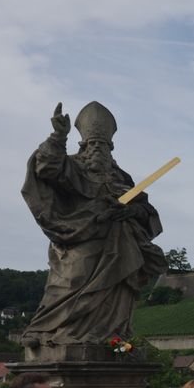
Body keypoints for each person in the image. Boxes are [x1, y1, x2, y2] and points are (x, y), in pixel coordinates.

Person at [20, 102, 166, 347]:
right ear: (82, 146)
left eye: (102, 145)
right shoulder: (73, 168)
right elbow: (47, 168)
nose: (97, 148)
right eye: (92, 144)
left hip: (119, 245)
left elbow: (146, 210)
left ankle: (113, 338)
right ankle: (46, 330)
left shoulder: (121, 177)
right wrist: (58, 136)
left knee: (116, 293)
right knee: (70, 282)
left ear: (111, 149)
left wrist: (129, 210)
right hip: (78, 239)